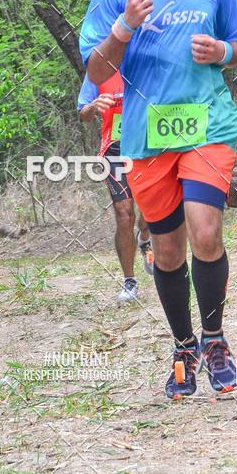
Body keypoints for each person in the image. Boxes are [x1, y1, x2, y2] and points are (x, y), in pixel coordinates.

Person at [79, 0, 237, 399]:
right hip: (146, 137)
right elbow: (95, 66)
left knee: (206, 234)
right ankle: (183, 346)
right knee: (170, 251)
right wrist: (125, 26)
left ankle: (215, 339)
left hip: (208, 126)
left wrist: (220, 51)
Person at [78, 69, 154, 302]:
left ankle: (144, 237)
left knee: (151, 209)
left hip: (149, 144)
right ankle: (130, 280)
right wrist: (93, 106)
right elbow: (84, 114)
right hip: (115, 150)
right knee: (124, 214)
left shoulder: (147, 59)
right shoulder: (98, 69)